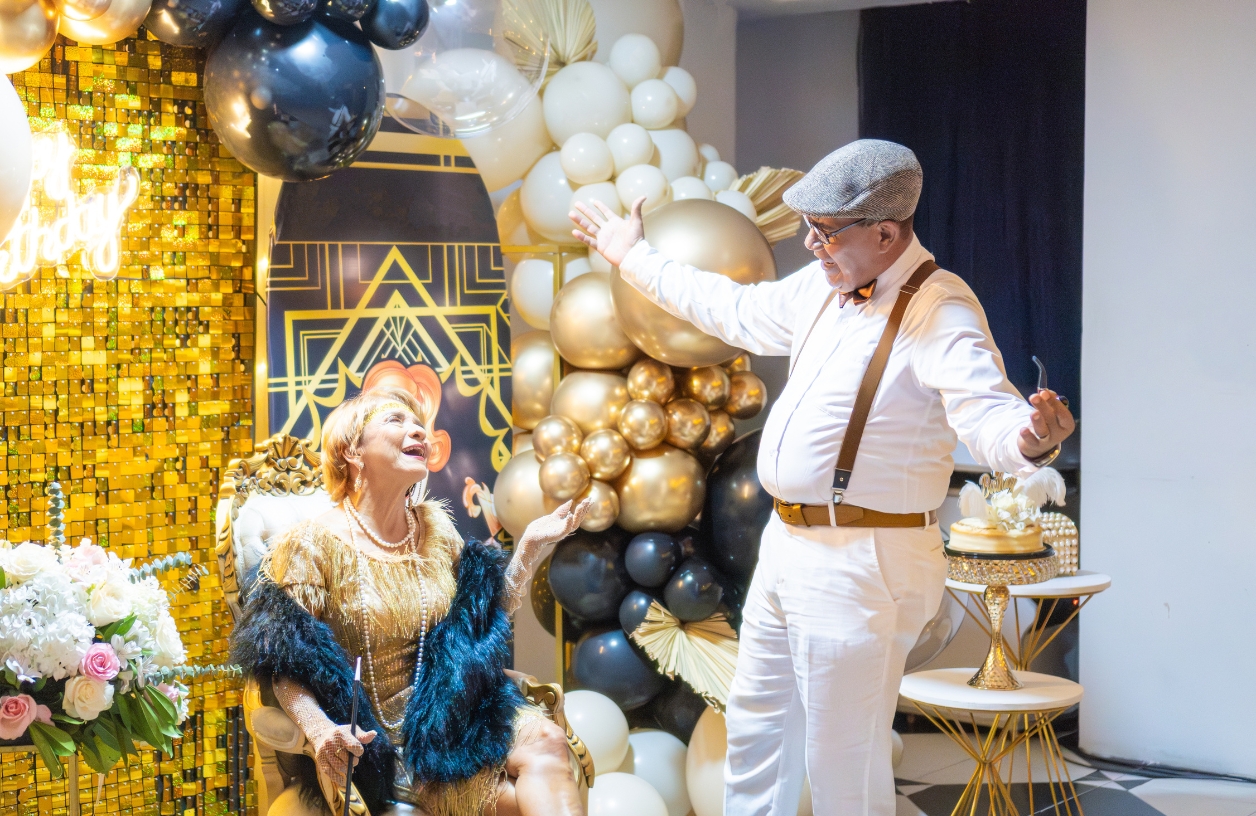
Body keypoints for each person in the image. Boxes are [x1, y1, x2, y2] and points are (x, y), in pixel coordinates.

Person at [569, 139, 1075, 816]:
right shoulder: (821, 288)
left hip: (862, 558)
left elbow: (986, 408)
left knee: (843, 761)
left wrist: (1028, 439)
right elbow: (732, 309)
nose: (810, 245)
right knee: (756, 732)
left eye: (826, 232)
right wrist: (633, 254)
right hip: (790, 545)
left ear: (887, 233)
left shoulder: (940, 309)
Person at [233, 386, 591, 816]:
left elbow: (482, 620)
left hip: (455, 721)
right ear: (352, 451)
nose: (419, 432)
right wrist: (319, 727)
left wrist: (530, 546)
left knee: (548, 742)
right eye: (396, 421)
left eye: (421, 425)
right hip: (376, 743)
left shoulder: (435, 527)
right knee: (519, 804)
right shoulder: (309, 545)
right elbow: (283, 665)